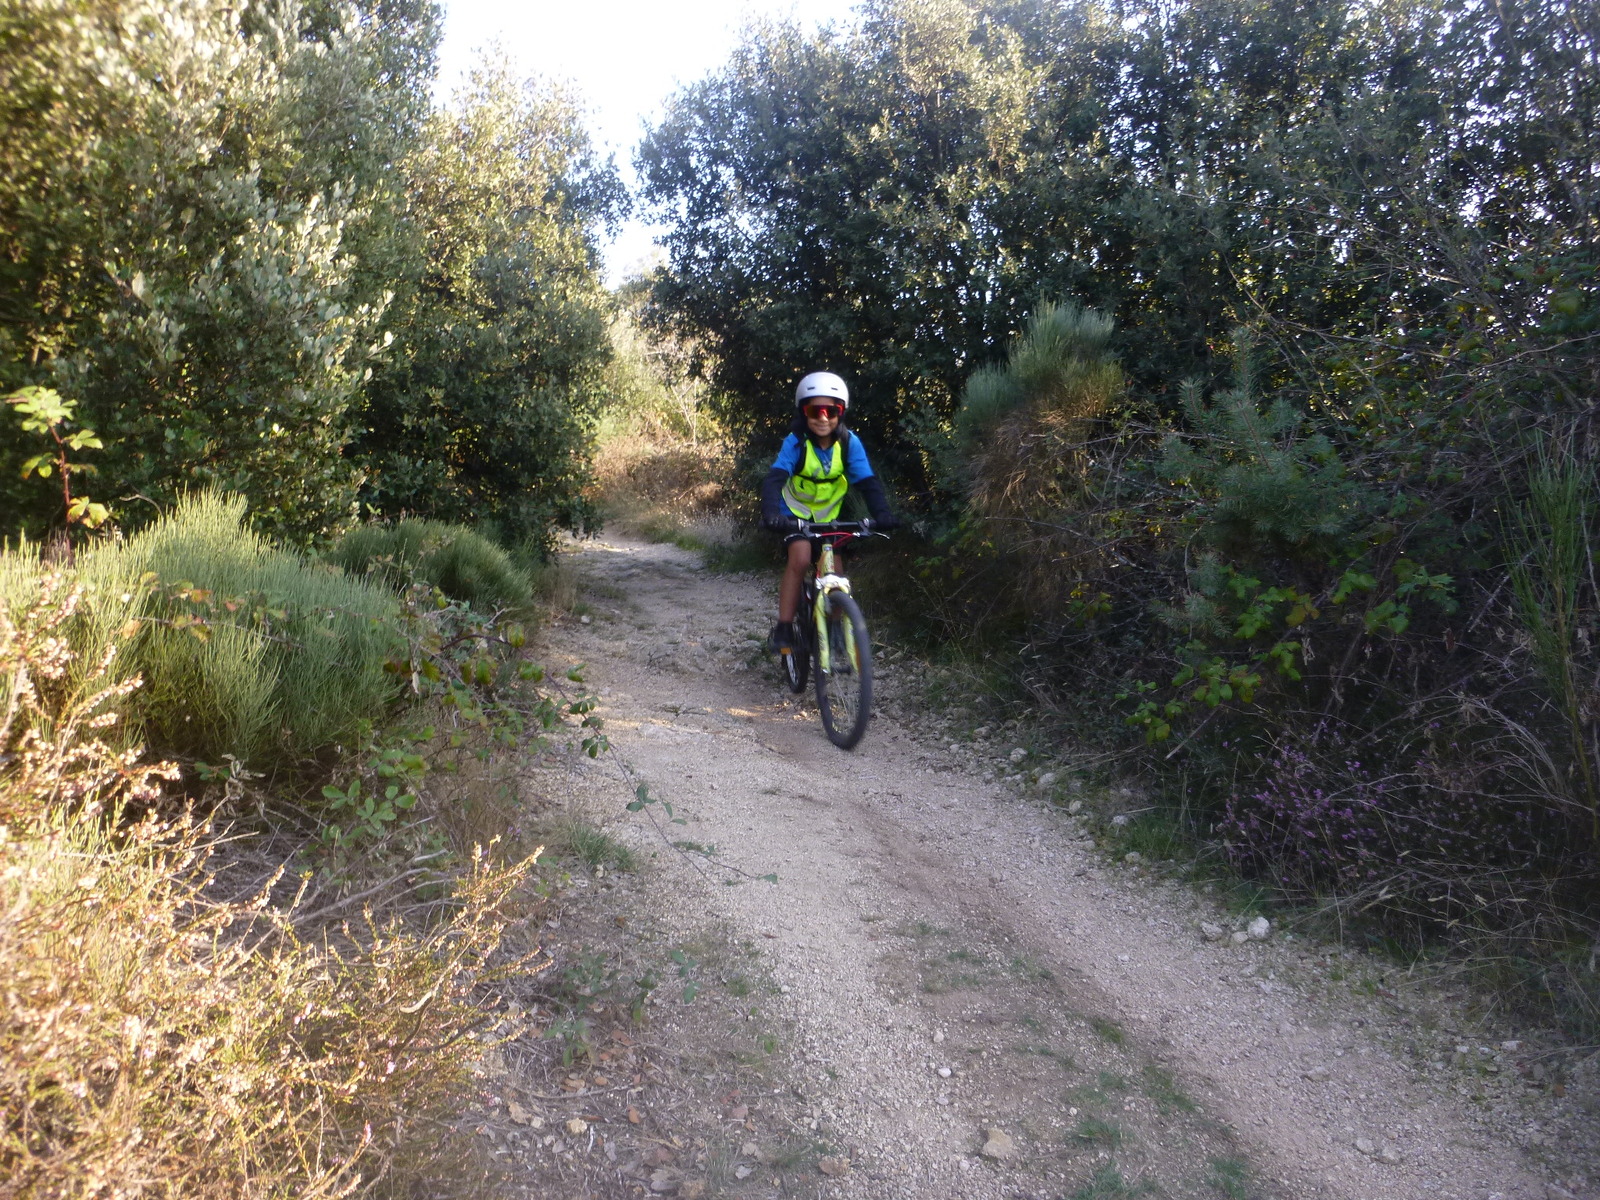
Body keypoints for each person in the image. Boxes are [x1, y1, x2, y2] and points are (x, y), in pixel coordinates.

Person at [759, 371, 899, 652]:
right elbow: (774, 479)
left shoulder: (849, 443)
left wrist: (883, 514)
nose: (823, 418)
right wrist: (771, 514)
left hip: (829, 518)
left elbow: (867, 482)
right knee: (800, 558)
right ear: (803, 412)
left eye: (831, 411)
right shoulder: (796, 442)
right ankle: (784, 627)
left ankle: (833, 629)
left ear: (841, 412)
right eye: (815, 411)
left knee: (836, 572)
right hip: (794, 515)